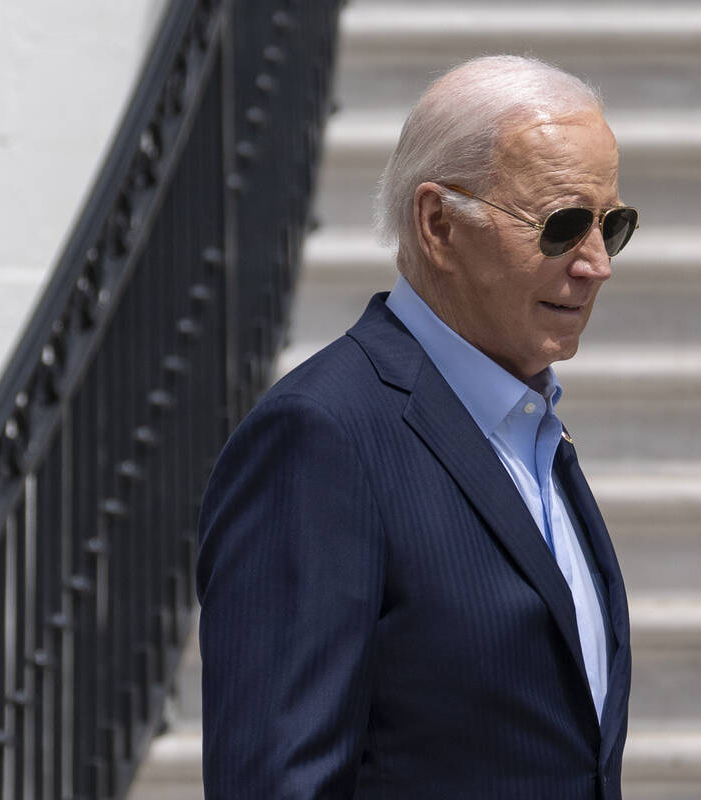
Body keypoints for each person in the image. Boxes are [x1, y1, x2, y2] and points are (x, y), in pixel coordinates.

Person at [196, 55, 637, 799]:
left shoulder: (530, 429)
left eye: (611, 225)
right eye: (562, 226)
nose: (596, 265)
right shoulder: (321, 438)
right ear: (438, 224)